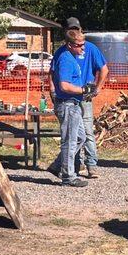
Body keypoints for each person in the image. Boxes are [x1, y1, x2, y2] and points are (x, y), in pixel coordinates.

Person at [48, 17, 109, 179]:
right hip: (69, 98)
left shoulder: (89, 48)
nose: (82, 47)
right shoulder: (64, 55)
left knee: (84, 133)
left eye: (77, 28)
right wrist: (53, 91)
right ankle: (69, 171)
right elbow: (58, 80)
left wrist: (97, 88)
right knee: (71, 136)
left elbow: (104, 69)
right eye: (71, 29)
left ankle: (90, 164)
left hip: (83, 96)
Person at [53, 30, 94, 187]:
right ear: (70, 45)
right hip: (68, 104)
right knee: (69, 141)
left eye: (84, 45)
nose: (83, 49)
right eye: (79, 46)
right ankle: (68, 176)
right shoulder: (65, 59)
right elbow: (64, 86)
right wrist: (83, 90)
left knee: (80, 138)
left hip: (74, 105)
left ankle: (58, 165)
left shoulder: (71, 57)